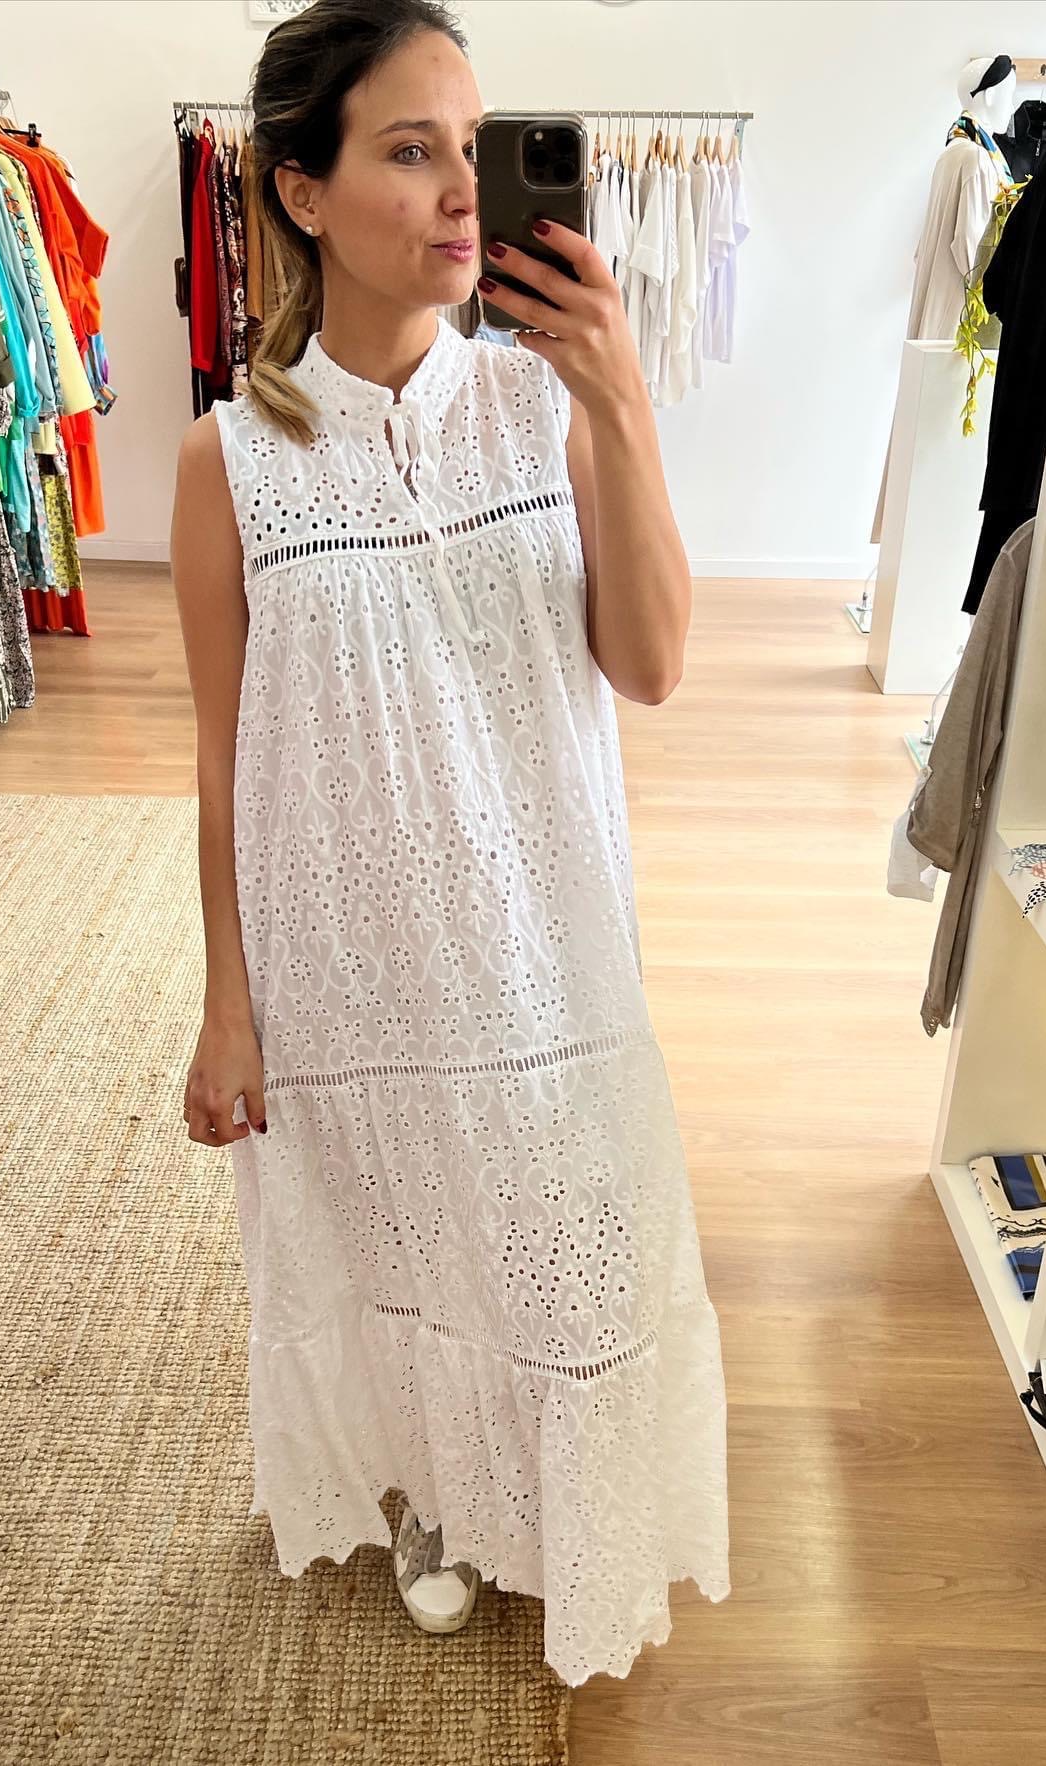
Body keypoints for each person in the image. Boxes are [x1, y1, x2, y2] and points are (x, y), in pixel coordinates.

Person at [168, 0, 730, 1687]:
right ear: (304, 191)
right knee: (396, 1244)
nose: (463, 192)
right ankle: (425, 1489)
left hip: (550, 942)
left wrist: (620, 402)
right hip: (352, 971)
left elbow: (651, 662)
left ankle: (564, 1496)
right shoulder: (227, 462)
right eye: (409, 151)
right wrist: (227, 1004)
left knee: (570, 1236)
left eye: (472, 148)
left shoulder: (545, 405)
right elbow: (221, 759)